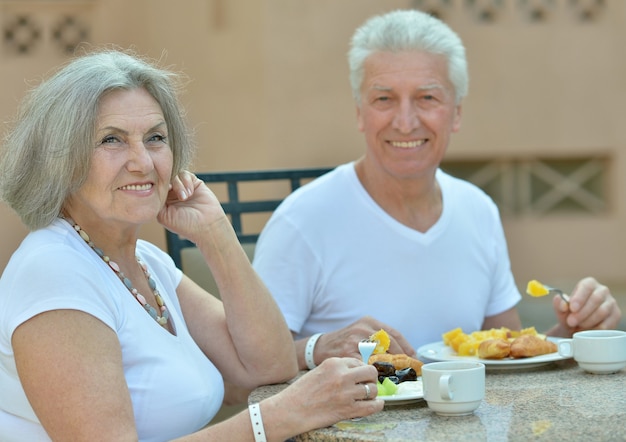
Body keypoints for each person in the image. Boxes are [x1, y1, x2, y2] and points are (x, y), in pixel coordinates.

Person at [0, 49, 383, 442]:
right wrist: (280, 417)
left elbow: (265, 368)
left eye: (155, 138)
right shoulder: (53, 272)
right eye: (111, 140)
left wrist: (216, 234)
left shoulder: (147, 263)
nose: (142, 161)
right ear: (60, 159)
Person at [252, 9, 622, 371]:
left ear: (456, 112)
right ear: (359, 113)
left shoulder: (478, 209)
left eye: (427, 98)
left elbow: (509, 364)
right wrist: (318, 348)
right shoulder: (303, 220)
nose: (406, 121)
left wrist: (573, 333)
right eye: (384, 99)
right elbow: (248, 369)